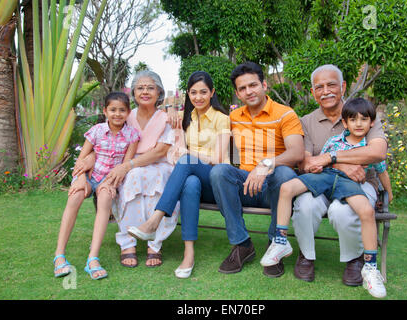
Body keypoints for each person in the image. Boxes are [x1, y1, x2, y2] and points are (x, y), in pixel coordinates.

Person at [261, 97, 393, 298]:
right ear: (345, 123)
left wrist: (388, 193)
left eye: (364, 119)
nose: (358, 124)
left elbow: (382, 171)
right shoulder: (335, 140)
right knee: (287, 188)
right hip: (326, 177)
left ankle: (369, 266)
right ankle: (280, 241)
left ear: (371, 122)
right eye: (353, 120)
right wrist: (317, 165)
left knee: (366, 210)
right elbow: (319, 160)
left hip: (350, 183)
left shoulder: (369, 146)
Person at [290, 65, 388, 288]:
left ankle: (354, 260)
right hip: (323, 181)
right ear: (313, 93)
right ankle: (306, 255)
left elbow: (377, 152)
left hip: (361, 182)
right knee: (305, 204)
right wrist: (340, 164)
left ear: (343, 87)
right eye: (319, 87)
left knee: (342, 210)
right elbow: (305, 161)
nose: (326, 91)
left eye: (331, 85)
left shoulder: (362, 113)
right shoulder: (306, 121)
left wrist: (329, 157)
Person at [127, 71, 231, 278]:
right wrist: (181, 151)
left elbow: (219, 158)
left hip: (217, 180)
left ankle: (154, 219)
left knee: (186, 162)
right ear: (188, 95)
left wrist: (187, 154)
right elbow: (178, 152)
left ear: (212, 93)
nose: (198, 97)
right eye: (193, 93)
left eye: (203, 92)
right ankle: (188, 254)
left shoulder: (222, 119)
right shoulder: (186, 119)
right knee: (190, 183)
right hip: (195, 178)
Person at [74, 70, 181, 268]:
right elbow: (106, 141)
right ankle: (127, 243)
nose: (145, 92)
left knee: (156, 179)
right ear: (133, 92)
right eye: (140, 88)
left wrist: (127, 165)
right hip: (126, 163)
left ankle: (154, 245)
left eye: (150, 87)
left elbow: (160, 151)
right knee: (131, 179)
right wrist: (91, 158)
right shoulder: (125, 114)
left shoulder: (166, 117)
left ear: (159, 92)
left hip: (155, 163)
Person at [209, 61, 305, 277]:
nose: (248, 91)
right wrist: (179, 119)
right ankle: (242, 244)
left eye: (253, 85)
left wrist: (265, 164)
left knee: (285, 173)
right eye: (242, 88)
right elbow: (208, 125)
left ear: (264, 85)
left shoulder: (285, 113)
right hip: (245, 185)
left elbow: (297, 153)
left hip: (275, 187)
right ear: (237, 93)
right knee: (219, 172)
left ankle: (275, 244)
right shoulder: (234, 117)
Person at [53, 92, 140, 280]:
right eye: (113, 110)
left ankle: (93, 258)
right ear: (105, 111)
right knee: (75, 196)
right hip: (89, 176)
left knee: (105, 199)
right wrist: (82, 179)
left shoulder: (132, 135)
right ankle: (59, 256)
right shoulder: (97, 131)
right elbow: (82, 158)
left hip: (110, 180)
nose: (117, 114)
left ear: (128, 112)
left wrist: (110, 184)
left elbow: (125, 165)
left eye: (122, 110)